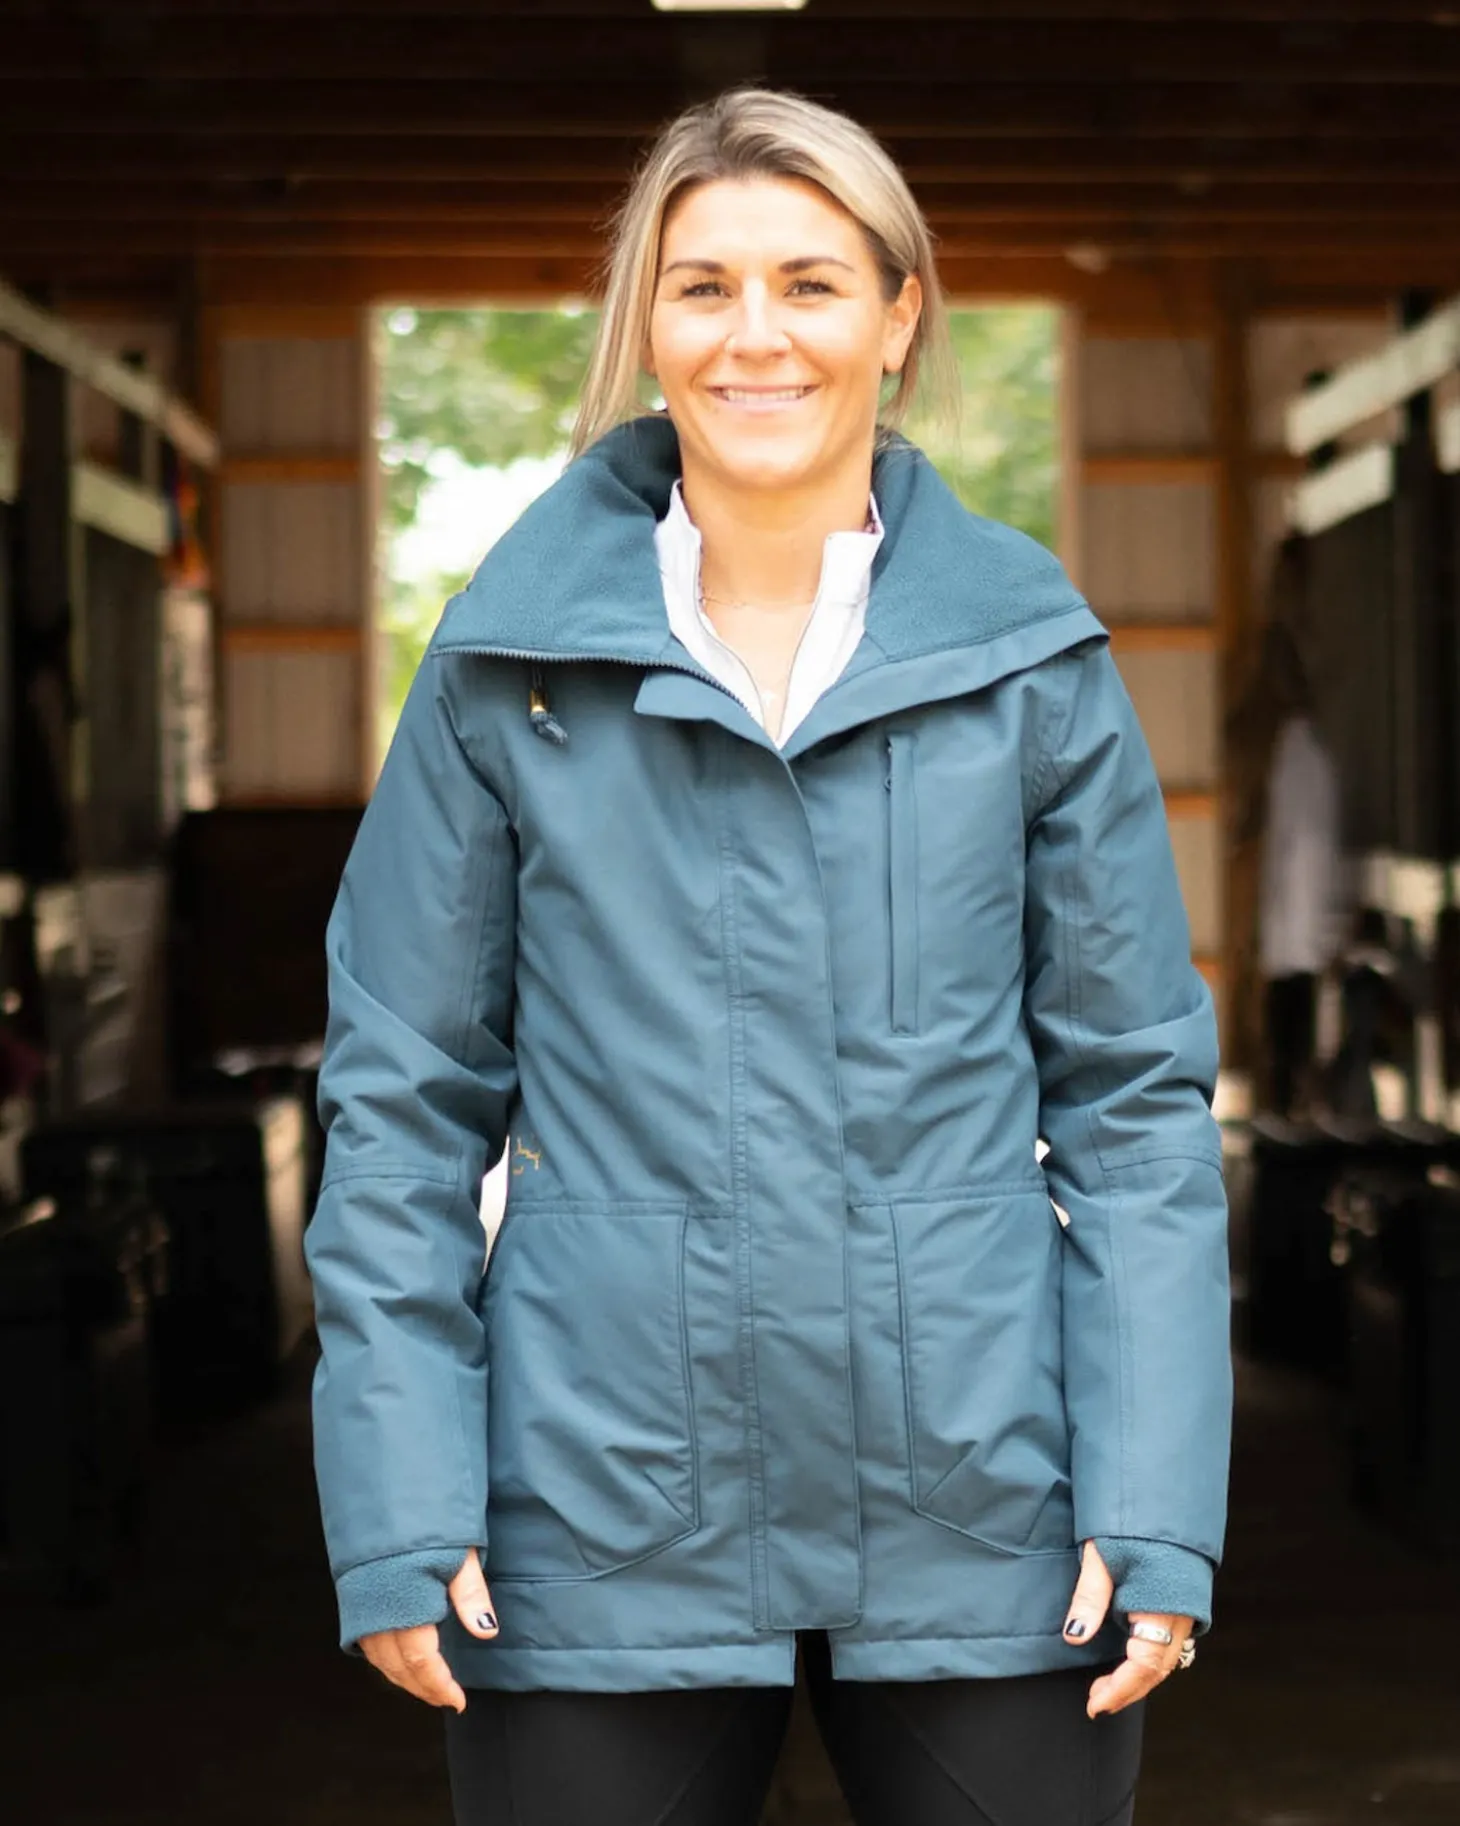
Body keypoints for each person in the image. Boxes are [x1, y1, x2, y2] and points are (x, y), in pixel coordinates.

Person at [306, 87, 1232, 1826]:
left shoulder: (1032, 665)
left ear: (898, 318)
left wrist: (1157, 1496)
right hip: (594, 1515)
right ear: (646, 328)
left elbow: (1134, 1109)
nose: (756, 336)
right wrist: (400, 1498)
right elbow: (401, 1106)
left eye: (810, 284)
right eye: (703, 286)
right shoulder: (505, 668)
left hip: (994, 1511)